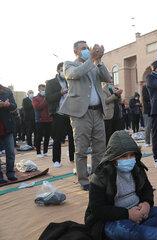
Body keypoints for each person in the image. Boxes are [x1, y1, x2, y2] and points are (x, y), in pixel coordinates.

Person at [84, 130, 157, 240]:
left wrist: (146, 204)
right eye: (123, 156)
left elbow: (147, 189)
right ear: (113, 158)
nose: (129, 159)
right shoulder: (101, 176)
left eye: (132, 155)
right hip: (113, 219)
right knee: (121, 230)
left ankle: (140, 232)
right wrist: (127, 214)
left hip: (138, 212)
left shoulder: (137, 168)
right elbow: (97, 209)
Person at [60, 40, 111, 191]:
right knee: (81, 148)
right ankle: (83, 180)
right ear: (76, 52)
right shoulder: (69, 64)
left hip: (97, 112)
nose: (87, 50)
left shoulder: (94, 65)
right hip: (81, 114)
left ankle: (96, 177)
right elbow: (75, 74)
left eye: (87, 48)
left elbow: (107, 77)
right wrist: (91, 60)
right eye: (83, 48)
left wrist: (99, 60)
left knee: (100, 148)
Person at [45, 62, 75, 168]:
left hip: (70, 113)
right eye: (62, 70)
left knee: (72, 136)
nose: (64, 72)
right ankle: (56, 160)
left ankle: (72, 157)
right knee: (57, 137)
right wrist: (60, 93)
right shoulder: (51, 83)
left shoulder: (70, 81)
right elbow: (48, 98)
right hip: (58, 113)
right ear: (58, 70)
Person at [0, 84, 18, 183]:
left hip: (7, 126)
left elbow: (14, 106)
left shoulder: (6, 91)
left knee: (10, 152)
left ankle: (10, 173)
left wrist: (8, 105)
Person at [32, 84, 52, 158]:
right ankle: (38, 152)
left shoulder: (48, 97)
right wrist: (46, 100)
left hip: (49, 119)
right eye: (42, 90)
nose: (44, 91)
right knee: (38, 136)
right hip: (40, 120)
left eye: (45, 90)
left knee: (47, 136)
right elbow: (37, 107)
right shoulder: (35, 98)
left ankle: (45, 151)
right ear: (39, 90)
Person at [102, 79, 123, 145]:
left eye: (112, 82)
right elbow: (106, 101)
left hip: (116, 114)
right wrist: (115, 95)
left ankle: (116, 147)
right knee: (108, 134)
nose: (111, 83)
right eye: (110, 82)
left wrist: (119, 95)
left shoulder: (114, 89)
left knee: (117, 133)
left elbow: (119, 101)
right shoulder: (103, 90)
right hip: (108, 115)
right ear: (106, 82)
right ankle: (108, 148)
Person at [142, 82, 152, 147]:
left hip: (155, 109)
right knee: (148, 127)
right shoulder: (145, 87)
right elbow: (146, 98)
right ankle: (147, 141)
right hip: (147, 111)